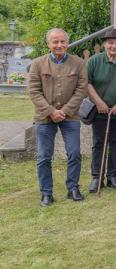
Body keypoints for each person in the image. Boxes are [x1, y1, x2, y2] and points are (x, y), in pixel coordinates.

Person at [28, 28, 88, 206]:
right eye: (55, 42)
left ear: (67, 43)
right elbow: (34, 91)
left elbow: (82, 90)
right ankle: (46, 193)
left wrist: (65, 110)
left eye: (62, 41)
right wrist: (51, 111)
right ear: (48, 44)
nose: (59, 45)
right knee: (44, 157)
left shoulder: (78, 63)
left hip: (70, 117)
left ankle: (73, 188)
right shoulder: (38, 64)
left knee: (74, 153)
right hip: (44, 117)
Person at [85, 28, 116, 193]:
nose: (114, 46)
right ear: (105, 44)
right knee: (99, 144)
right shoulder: (94, 61)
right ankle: (96, 177)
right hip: (100, 112)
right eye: (111, 43)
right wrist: (99, 102)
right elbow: (87, 83)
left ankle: (113, 175)